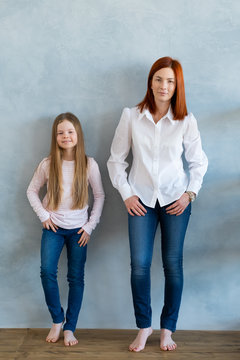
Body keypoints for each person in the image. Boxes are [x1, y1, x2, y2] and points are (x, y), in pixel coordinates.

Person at [107, 57, 208, 352]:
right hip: (140, 201)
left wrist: (189, 194)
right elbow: (116, 160)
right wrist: (126, 193)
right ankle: (144, 326)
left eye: (171, 81)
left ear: (178, 87)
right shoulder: (131, 116)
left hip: (176, 201)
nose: (164, 86)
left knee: (172, 266)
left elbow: (198, 163)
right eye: (159, 79)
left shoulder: (186, 120)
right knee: (139, 265)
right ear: (150, 82)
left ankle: (167, 329)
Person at [27, 112, 104, 346]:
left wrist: (90, 226)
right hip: (54, 229)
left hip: (78, 231)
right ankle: (57, 320)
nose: (66, 136)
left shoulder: (89, 164)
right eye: (60, 133)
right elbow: (31, 191)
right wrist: (43, 215)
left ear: (78, 134)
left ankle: (70, 327)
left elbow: (100, 196)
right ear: (55, 137)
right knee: (47, 272)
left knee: (75, 278)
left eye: (70, 131)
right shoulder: (48, 163)